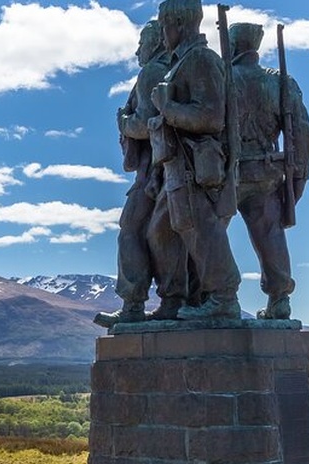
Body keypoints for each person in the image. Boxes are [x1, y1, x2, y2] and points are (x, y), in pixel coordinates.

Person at [148, 0, 241, 320]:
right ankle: (174, 299)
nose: (162, 32)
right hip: (174, 165)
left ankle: (224, 296)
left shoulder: (200, 59)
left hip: (194, 166)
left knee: (201, 229)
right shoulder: (181, 61)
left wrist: (167, 107)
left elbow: (212, 117)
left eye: (164, 24)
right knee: (160, 232)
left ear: (179, 23)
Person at [95, 20, 187, 327]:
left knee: (135, 230)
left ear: (156, 43)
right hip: (167, 167)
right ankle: (166, 300)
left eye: (142, 43)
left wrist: (123, 122)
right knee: (160, 233)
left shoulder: (152, 72)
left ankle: (138, 303)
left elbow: (145, 124)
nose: (138, 51)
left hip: (155, 170)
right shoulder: (176, 69)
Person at [229, 22, 309, 319]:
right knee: (270, 234)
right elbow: (301, 133)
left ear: (234, 45)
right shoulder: (278, 82)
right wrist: (299, 174)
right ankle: (279, 298)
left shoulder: (224, 79)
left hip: (228, 172)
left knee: (208, 233)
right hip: (266, 170)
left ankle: (213, 294)